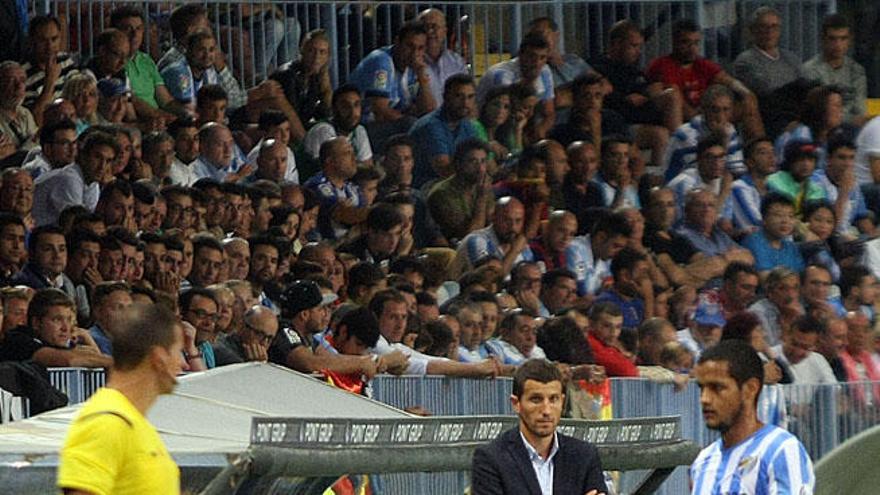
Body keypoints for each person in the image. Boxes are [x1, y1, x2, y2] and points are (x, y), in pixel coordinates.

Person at [57, 303, 183, 495]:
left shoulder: (133, 423)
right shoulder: (107, 423)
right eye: (177, 351)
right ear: (159, 358)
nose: (182, 362)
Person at [690, 340, 815, 494]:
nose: (705, 398)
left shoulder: (780, 450)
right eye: (702, 388)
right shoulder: (703, 461)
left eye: (717, 387)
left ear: (750, 389)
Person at [471, 358, 608, 495]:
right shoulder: (491, 459)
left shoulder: (584, 455)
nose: (546, 410)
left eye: (553, 399)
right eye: (536, 399)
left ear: (562, 401)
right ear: (516, 403)